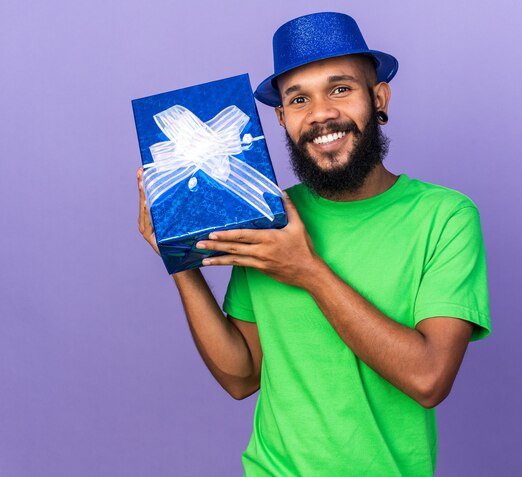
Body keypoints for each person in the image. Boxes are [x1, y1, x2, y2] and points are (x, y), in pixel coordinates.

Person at [137, 12, 491, 477]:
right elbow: (242, 377)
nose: (321, 113)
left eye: (340, 89)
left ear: (379, 98)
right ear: (282, 119)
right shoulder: (271, 216)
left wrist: (306, 270)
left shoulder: (445, 217)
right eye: (299, 99)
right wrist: (179, 260)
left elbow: (428, 379)